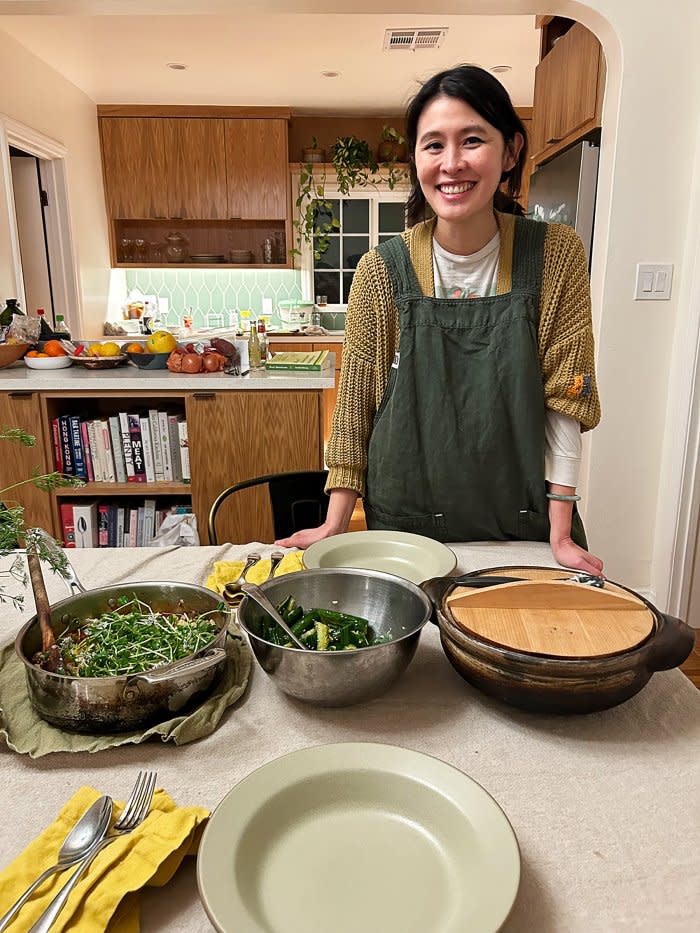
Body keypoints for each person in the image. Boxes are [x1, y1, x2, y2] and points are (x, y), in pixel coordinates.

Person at [277, 64, 603, 575]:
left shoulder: (555, 254)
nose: (451, 163)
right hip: (404, 522)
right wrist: (333, 524)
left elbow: (567, 398)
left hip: (521, 523)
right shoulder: (381, 269)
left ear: (511, 150)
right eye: (433, 145)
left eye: (472, 140)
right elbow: (356, 404)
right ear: (416, 159)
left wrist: (560, 534)